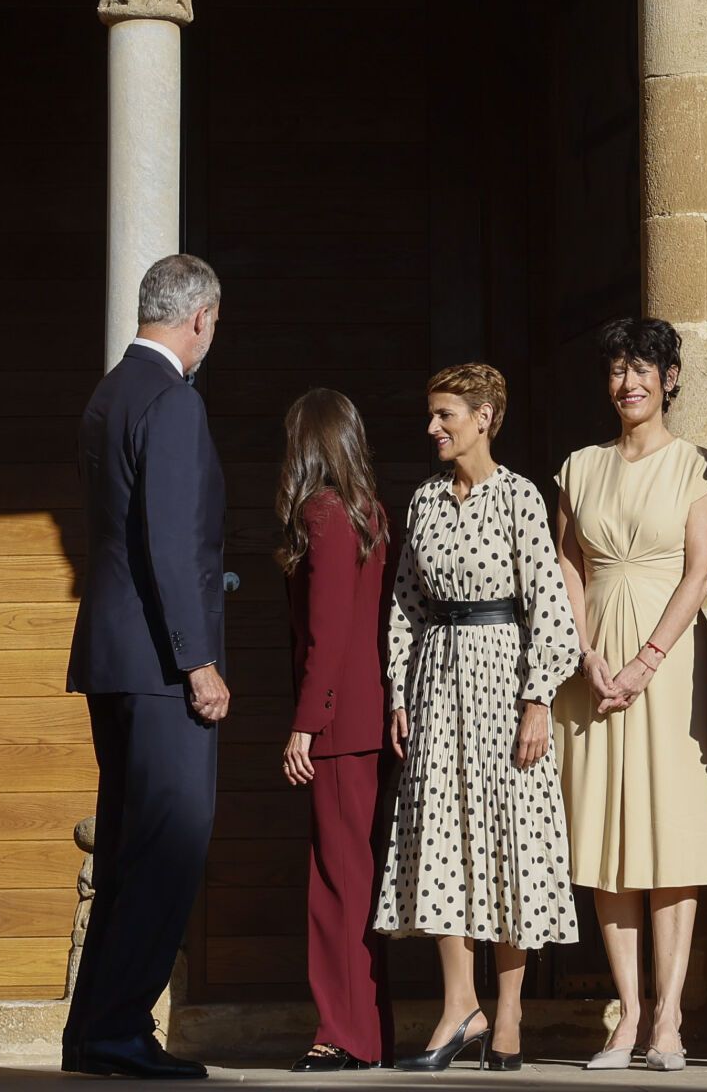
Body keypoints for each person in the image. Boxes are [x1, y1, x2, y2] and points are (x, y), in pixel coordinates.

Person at [376, 362, 582, 1073]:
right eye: (433, 416)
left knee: (508, 839)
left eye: (445, 415)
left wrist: (538, 698)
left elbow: (549, 606)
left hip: (504, 677)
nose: (433, 427)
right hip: (438, 678)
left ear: (484, 416)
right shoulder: (425, 501)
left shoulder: (521, 497)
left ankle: (511, 1012)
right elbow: (406, 602)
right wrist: (400, 694)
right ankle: (458, 1004)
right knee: (443, 835)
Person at [551, 317, 707, 1072]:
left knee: (669, 837)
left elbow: (700, 571)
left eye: (643, 370)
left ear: (668, 379)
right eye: (617, 370)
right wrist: (588, 652)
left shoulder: (698, 466)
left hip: (667, 667)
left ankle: (668, 1019)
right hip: (593, 668)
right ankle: (625, 1016)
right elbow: (567, 563)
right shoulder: (578, 466)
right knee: (605, 839)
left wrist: (646, 660)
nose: (628, 384)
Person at [64, 255, 231, 1081]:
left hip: (113, 656)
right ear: (199, 318)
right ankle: (122, 1028)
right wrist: (199, 661)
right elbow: (168, 539)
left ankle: (93, 1028)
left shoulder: (109, 394)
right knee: (170, 842)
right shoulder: (172, 401)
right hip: (164, 665)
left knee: (131, 844)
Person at [275, 389, 393, 1074]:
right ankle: (366, 1033)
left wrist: (305, 727)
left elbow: (327, 632)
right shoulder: (368, 512)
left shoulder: (322, 514)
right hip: (360, 722)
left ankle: (341, 1034)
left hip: (340, 727)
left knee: (337, 884)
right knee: (356, 879)